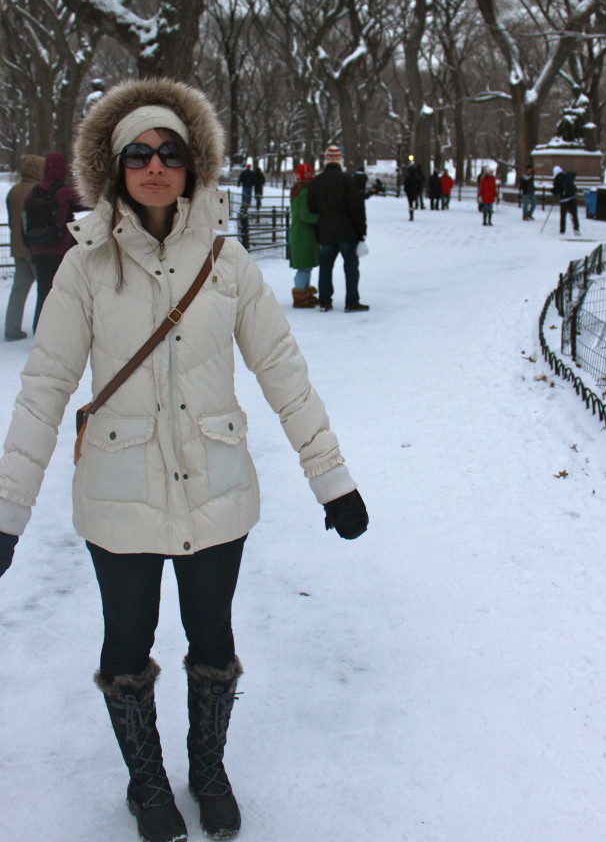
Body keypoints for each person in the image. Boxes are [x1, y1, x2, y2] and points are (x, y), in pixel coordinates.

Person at [0, 78, 368, 842]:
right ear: (115, 166)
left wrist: (332, 481)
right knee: (126, 647)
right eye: (139, 152)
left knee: (214, 639)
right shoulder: (85, 267)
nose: (156, 165)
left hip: (217, 489)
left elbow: (284, 375)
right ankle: (146, 782)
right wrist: (7, 513)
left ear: (193, 165)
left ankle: (207, 767)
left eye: (170, 151)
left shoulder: (228, 266)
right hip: (119, 493)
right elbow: (43, 393)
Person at [23, 150, 81, 332]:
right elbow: (89, 201)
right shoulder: (64, 192)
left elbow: (23, 223)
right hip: (62, 251)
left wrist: (31, 247)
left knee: (43, 291)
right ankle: (61, 331)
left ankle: (39, 329)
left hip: (39, 251)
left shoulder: (31, 193)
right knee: (64, 292)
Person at [307, 144, 369, 312]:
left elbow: (311, 208)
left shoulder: (316, 181)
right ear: (339, 161)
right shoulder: (348, 180)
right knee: (351, 267)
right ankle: (352, 301)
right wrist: (361, 231)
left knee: (326, 267)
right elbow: (357, 208)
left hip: (325, 230)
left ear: (326, 161)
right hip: (347, 231)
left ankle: (325, 301)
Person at [3, 153, 44, 341]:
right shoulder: (38, 190)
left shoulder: (14, 191)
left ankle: (11, 328)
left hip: (18, 247)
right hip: (36, 248)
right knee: (46, 290)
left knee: (18, 290)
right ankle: (44, 330)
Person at [288, 162, 319, 308]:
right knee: (304, 267)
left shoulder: (296, 191)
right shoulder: (305, 192)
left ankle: (305, 293)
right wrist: (320, 218)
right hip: (304, 234)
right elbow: (305, 215)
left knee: (305, 266)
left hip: (298, 232)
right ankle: (300, 294)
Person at [552, 165, 580, 235]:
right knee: (574, 214)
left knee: (563, 215)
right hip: (572, 197)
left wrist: (553, 191)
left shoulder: (556, 179)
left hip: (564, 199)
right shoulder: (567, 176)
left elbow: (556, 191)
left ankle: (562, 229)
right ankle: (576, 228)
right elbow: (573, 174)